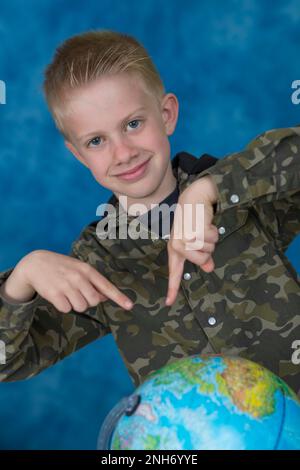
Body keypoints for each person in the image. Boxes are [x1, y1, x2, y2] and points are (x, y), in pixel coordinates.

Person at [0, 30, 299, 396]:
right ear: (78, 155)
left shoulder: (245, 196)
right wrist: (23, 278)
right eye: (96, 141)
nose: (123, 153)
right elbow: (6, 361)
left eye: (133, 124)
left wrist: (209, 190)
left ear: (167, 114)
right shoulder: (98, 262)